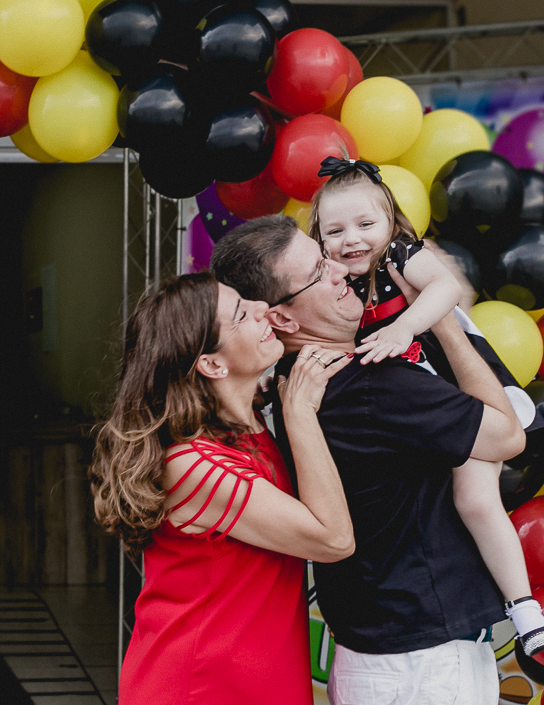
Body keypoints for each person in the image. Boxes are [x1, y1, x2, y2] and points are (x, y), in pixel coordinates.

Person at [212, 214, 527, 705]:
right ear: (282, 319)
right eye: (319, 272)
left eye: (326, 257)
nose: (340, 269)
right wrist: (442, 322)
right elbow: (507, 436)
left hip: (378, 650)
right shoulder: (372, 385)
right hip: (424, 661)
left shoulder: (294, 382)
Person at [308, 157, 544, 657]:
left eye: (366, 224)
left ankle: (524, 604)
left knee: (475, 498)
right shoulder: (333, 279)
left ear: (392, 223)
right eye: (334, 230)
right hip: (406, 400)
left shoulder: (401, 253)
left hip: (451, 383)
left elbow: (444, 286)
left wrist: (404, 327)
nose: (352, 239)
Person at [90, 272, 354, 705]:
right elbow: (334, 539)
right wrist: (301, 412)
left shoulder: (248, 429)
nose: (261, 309)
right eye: (241, 314)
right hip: (202, 685)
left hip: (257, 678)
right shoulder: (192, 465)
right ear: (212, 364)